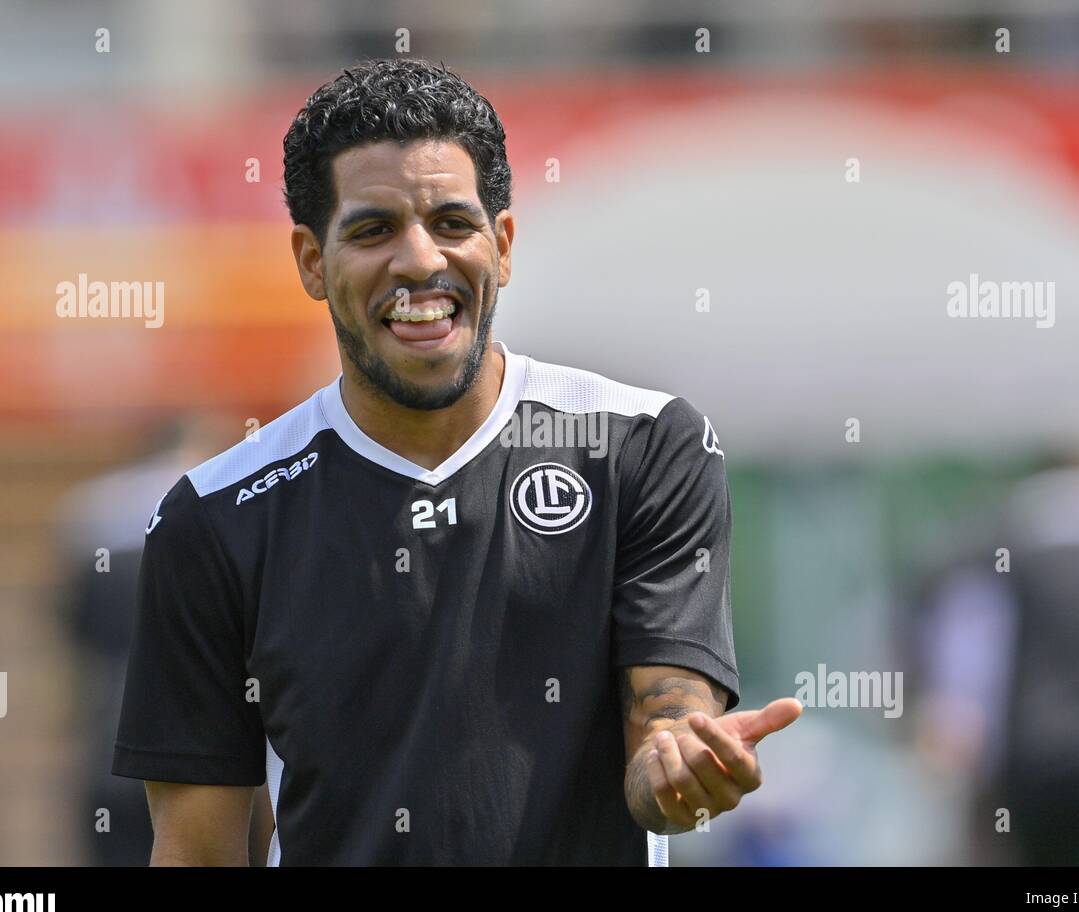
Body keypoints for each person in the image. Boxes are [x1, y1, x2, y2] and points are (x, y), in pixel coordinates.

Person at [112, 58, 802, 866]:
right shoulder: (215, 517)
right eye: (373, 230)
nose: (420, 262)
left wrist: (680, 767)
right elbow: (197, 851)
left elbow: (664, 727)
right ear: (310, 261)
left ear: (501, 246)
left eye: (451, 222)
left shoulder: (642, 446)